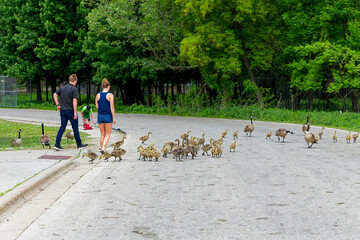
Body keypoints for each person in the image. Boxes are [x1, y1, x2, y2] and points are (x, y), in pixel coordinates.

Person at [53, 74, 88, 150]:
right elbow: (74, 100)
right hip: (71, 111)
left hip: (63, 111)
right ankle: (79, 144)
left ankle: (57, 144)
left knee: (62, 127)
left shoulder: (62, 88)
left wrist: (57, 105)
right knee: (75, 128)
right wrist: (75, 112)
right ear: (75, 81)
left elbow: (55, 94)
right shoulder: (74, 89)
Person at [95, 78, 116, 154]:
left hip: (100, 116)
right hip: (108, 116)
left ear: (102, 86)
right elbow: (112, 107)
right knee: (108, 133)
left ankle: (102, 148)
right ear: (108, 86)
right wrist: (114, 118)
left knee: (102, 134)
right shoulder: (110, 95)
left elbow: (97, 106)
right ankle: (103, 148)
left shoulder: (98, 95)